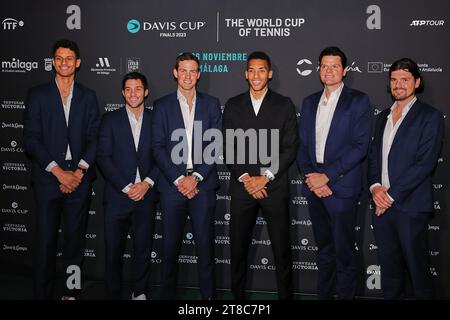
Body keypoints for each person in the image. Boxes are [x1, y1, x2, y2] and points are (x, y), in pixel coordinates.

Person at [23, 39, 100, 299]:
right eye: (59, 58)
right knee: (45, 243)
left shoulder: (88, 96)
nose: (64, 62)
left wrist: (78, 173)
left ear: (78, 63)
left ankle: (71, 292)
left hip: (79, 182)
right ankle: (41, 294)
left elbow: (94, 137)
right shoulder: (37, 95)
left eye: (69, 58)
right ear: (53, 62)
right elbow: (31, 139)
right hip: (48, 181)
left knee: (75, 243)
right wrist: (58, 172)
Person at [296, 47, 372, 299]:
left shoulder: (359, 100)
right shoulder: (308, 102)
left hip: (341, 187)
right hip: (314, 186)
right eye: (324, 66)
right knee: (324, 249)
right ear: (318, 69)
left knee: (343, 251)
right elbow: (302, 145)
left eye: (334, 66)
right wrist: (312, 177)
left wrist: (326, 176)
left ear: (345, 70)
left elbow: (360, 146)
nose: (328, 71)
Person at [223, 51, 298, 300]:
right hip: (242, 189)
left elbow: (290, 148)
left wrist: (265, 177)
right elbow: (227, 147)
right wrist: (247, 178)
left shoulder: (284, 104)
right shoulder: (233, 105)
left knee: (282, 253)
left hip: (273, 188)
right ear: (246, 74)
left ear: (270, 74)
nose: (256, 75)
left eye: (262, 70)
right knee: (238, 252)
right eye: (252, 70)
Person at [368, 58, 444, 299]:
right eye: (394, 80)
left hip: (410, 206)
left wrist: (389, 196)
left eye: (405, 79)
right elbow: (373, 158)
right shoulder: (382, 117)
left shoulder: (430, 116)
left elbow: (425, 163)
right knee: (389, 272)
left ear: (417, 82)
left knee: (417, 272)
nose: (398, 84)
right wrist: (376, 188)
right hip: (382, 206)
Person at [151, 52, 222, 300]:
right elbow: (158, 148)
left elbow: (216, 146)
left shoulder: (212, 104)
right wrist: (180, 179)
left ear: (199, 74)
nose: (188, 76)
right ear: (175, 73)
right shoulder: (161, 106)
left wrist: (197, 178)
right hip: (173, 188)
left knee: (205, 250)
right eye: (183, 70)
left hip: (203, 186)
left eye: (193, 71)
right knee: (169, 250)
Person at [97, 72, 158, 300]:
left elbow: (162, 157)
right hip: (117, 197)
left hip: (146, 196)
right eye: (129, 89)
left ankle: (139, 292)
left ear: (146, 92)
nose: (134, 93)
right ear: (123, 92)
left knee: (143, 250)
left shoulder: (156, 119)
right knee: (113, 251)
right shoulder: (110, 120)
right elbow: (103, 157)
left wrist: (147, 184)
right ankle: (113, 294)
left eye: (138, 89)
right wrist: (126, 186)